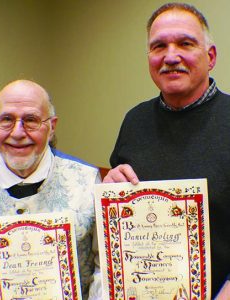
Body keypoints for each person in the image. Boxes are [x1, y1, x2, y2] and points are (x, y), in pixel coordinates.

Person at [103, 3, 230, 298]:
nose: (171, 57)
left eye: (185, 43)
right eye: (159, 46)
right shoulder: (134, 120)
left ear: (210, 57)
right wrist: (110, 188)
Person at [0, 79, 101, 299]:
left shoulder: (88, 181)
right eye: (6, 120)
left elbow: (103, 268)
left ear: (52, 126)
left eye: (31, 120)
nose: (17, 132)